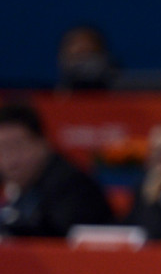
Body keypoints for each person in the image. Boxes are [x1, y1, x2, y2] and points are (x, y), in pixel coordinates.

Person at [0, 101, 113, 238]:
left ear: (43, 143)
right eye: (3, 149)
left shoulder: (73, 186)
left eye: (17, 146)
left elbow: (55, 239)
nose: (11, 159)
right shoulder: (18, 187)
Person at [56, 24, 116, 91]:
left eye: (88, 55)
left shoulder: (123, 93)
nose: (82, 67)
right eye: (77, 56)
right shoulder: (52, 96)